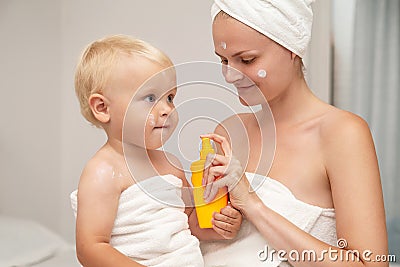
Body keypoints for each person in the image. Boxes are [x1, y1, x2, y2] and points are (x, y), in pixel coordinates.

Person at [199, 1, 389, 266]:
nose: (230, 75)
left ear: (291, 49)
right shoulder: (228, 133)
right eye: (223, 60)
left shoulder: (342, 135)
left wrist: (254, 207)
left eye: (247, 60)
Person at [69, 34, 242, 267]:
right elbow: (91, 248)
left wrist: (219, 226)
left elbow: (189, 222)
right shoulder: (103, 171)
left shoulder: (171, 164)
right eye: (150, 98)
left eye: (170, 97)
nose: (167, 109)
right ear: (102, 108)